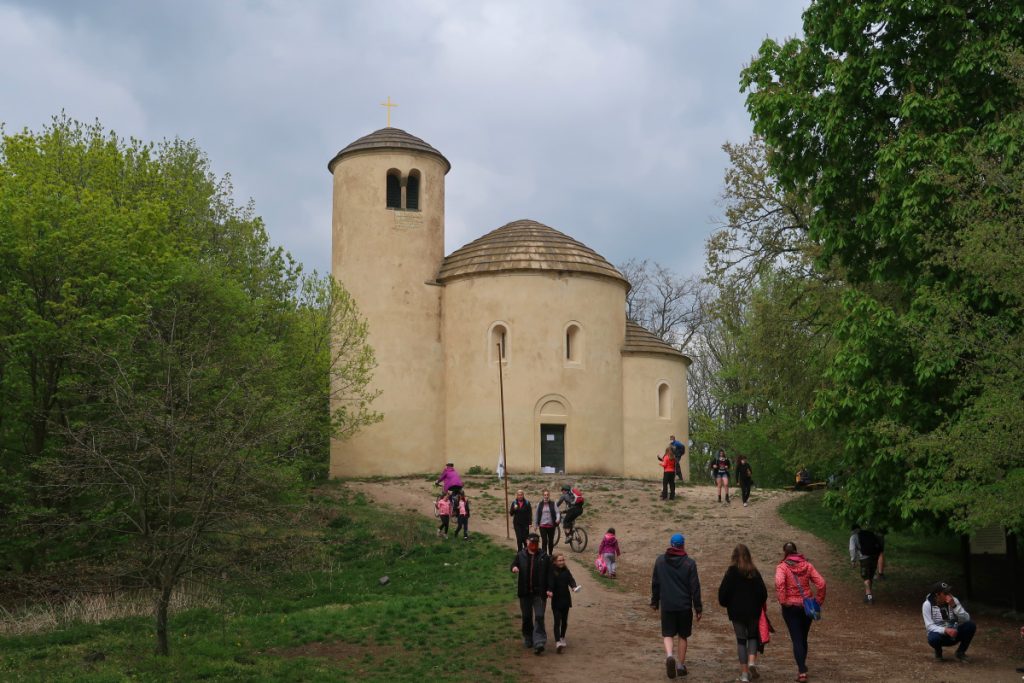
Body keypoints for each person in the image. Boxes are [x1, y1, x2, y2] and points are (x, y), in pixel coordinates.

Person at [651, 533, 702, 679]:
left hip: (667, 604)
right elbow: (695, 587)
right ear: (683, 545)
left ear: (671, 544)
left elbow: (655, 583)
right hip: (684, 606)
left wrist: (655, 601)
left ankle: (669, 656)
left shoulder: (660, 561)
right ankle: (680, 665)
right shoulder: (689, 563)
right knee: (683, 636)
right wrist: (698, 608)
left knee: (667, 634)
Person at [775, 541, 826, 683]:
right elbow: (821, 583)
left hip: (791, 607)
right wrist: (818, 601)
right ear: (797, 551)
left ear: (785, 552)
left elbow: (779, 583)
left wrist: (783, 600)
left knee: (796, 639)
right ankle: (802, 668)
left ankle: (802, 671)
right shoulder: (808, 566)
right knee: (803, 638)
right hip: (807, 606)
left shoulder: (782, 567)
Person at [718, 543, 768, 682]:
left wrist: (728, 603)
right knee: (752, 637)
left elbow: (723, 594)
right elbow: (763, 593)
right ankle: (752, 662)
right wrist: (757, 603)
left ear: (733, 556)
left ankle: (745, 674)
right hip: (753, 611)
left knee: (741, 641)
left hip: (736, 612)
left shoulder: (731, 572)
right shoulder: (754, 572)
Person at [510, 532, 553, 655]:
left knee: (539, 616)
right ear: (527, 542)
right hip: (525, 592)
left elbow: (550, 575)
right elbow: (513, 564)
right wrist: (514, 568)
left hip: (539, 593)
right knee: (527, 617)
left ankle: (539, 641)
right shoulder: (521, 555)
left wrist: (550, 589)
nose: (533, 545)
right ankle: (528, 637)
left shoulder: (545, 557)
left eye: (535, 543)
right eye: (531, 542)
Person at [922, 581, 976, 662]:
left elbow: (966, 618)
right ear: (937, 594)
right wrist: (945, 630)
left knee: (970, 625)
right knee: (933, 638)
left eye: (949, 592)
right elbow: (929, 626)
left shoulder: (954, 600)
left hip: (955, 633)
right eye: (945, 593)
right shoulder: (927, 605)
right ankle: (938, 652)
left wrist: (954, 606)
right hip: (941, 636)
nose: (949, 595)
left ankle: (960, 652)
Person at [550, 551, 580, 654]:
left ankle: (562, 637)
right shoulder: (551, 572)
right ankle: (557, 641)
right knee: (557, 621)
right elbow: (550, 584)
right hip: (556, 601)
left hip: (566, 600)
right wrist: (549, 591)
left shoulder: (566, 571)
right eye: (559, 560)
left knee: (564, 621)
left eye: (563, 560)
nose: (562, 562)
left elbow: (571, 580)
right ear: (554, 562)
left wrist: (574, 587)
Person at [849, 524, 883, 604]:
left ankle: (869, 596)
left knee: (865, 577)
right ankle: (868, 594)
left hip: (864, 559)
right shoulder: (869, 533)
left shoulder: (854, 537)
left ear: (853, 530)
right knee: (870, 576)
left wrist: (853, 560)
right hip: (874, 557)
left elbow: (852, 549)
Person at [535, 489, 559, 556]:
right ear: (543, 496)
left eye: (547, 495)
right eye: (545, 495)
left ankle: (550, 554)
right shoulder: (539, 504)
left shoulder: (553, 504)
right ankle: (544, 555)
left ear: (549, 495)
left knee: (550, 541)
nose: (546, 496)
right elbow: (536, 514)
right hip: (542, 525)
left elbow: (557, 513)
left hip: (551, 525)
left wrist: (557, 519)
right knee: (544, 541)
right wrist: (536, 524)